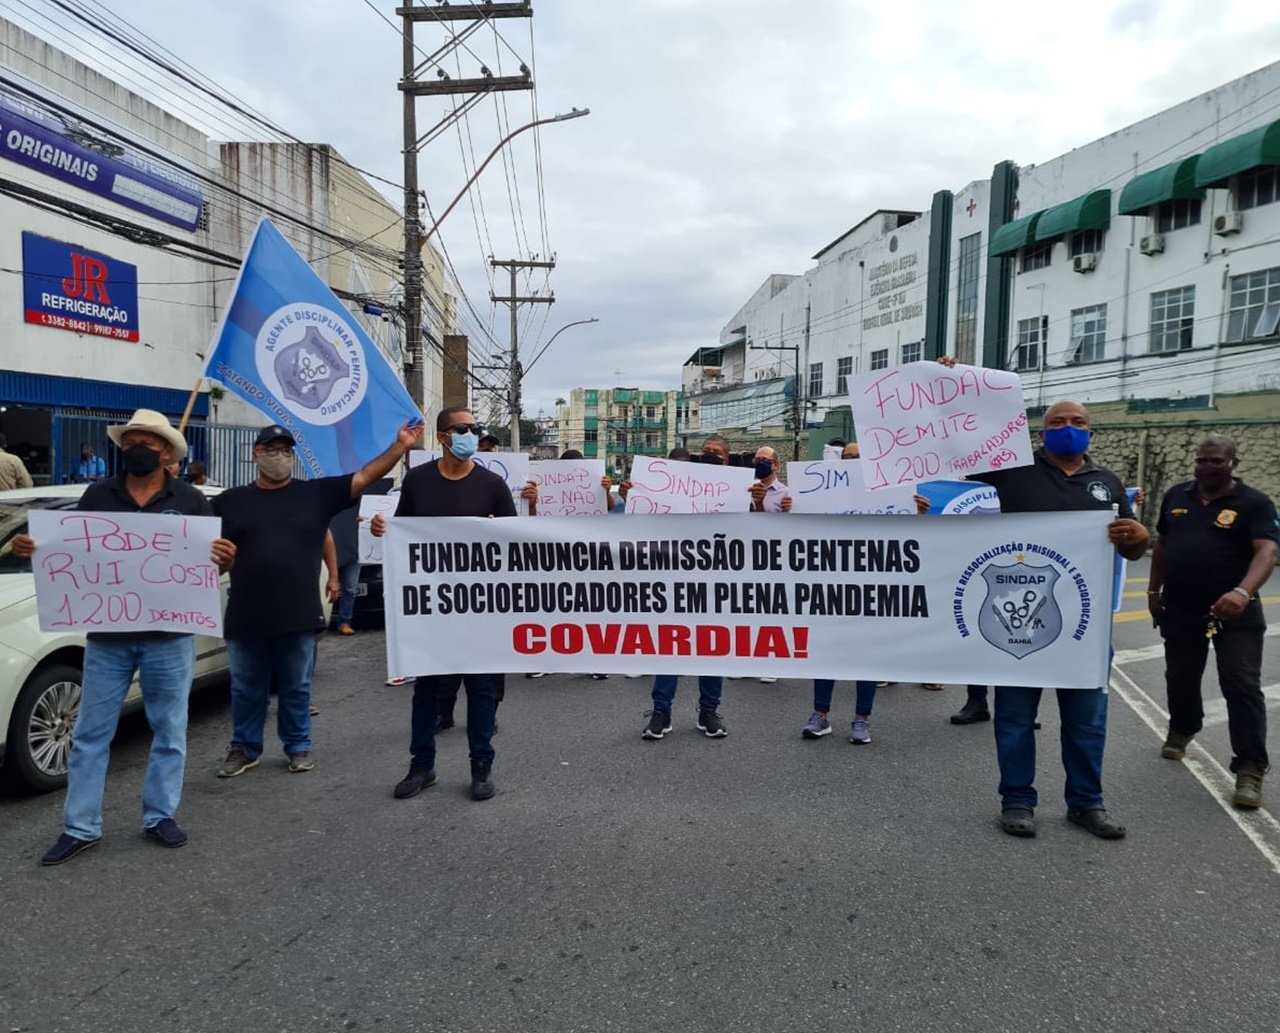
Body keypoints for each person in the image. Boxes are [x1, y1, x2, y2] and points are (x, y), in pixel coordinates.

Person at [11, 409, 236, 865]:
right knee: (92, 734)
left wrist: (224, 559)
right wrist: (34, 548)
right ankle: (80, 826)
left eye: (147, 443)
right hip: (108, 639)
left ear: (166, 453)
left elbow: (209, 565)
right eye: (130, 441)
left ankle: (160, 816)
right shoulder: (98, 495)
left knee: (169, 731)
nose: (137, 449)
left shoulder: (191, 501)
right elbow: (71, 550)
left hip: (170, 636)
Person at [960, 386, 1148, 840]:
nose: (1069, 429)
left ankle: (1086, 803)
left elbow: (1134, 550)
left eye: (1078, 423)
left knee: (1087, 722)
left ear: (1090, 431)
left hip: (1082, 627)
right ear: (1041, 432)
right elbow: (954, 480)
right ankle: (1017, 801)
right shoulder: (1011, 474)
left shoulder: (1107, 482)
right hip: (1015, 625)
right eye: (1058, 423)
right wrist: (954, 388)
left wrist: (1139, 534)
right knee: (1014, 719)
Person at [214, 420, 421, 779]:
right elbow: (204, 555)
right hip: (246, 614)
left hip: (298, 613)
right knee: (247, 688)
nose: (278, 457)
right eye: (270, 450)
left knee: (296, 687)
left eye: (285, 451)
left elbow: (363, 477)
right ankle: (244, 748)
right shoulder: (230, 502)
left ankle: (298, 745)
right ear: (255, 455)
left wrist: (399, 447)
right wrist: (221, 560)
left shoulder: (315, 494)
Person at [372, 407, 516, 802]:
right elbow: (403, 532)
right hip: (432, 608)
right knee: (427, 692)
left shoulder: (492, 485)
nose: (471, 434)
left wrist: (496, 532)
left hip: (481, 608)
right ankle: (422, 766)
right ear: (442, 437)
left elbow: (517, 544)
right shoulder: (418, 481)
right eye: (463, 429)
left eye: (475, 429)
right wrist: (382, 528)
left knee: (482, 691)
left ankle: (481, 767)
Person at [1148, 435, 1278, 809]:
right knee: (1180, 676)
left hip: (1236, 613)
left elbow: (1267, 551)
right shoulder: (1177, 496)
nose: (1207, 467)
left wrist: (1242, 592)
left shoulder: (1254, 503)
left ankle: (1250, 768)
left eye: (1217, 461)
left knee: (1240, 684)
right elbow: (1163, 546)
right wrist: (1153, 593)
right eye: (1202, 460)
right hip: (1181, 608)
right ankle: (1183, 728)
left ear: (1233, 463)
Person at [800, 442, 929, 742]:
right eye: (848, 458)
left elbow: (909, 539)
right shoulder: (824, 493)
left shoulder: (892, 495)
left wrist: (918, 514)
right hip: (832, 585)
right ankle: (820, 716)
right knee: (827, 652)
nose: (853, 462)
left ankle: (862, 719)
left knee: (867, 655)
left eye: (859, 458)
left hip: (873, 586)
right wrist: (791, 510)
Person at [642, 434, 733, 740]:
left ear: (727, 460)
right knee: (669, 646)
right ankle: (661, 712)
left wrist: (757, 499)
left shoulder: (738, 492)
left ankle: (709, 711)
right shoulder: (676, 492)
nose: (710, 456)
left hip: (715, 585)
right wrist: (634, 495)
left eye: (717, 453)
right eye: (705, 452)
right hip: (672, 582)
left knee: (711, 647)